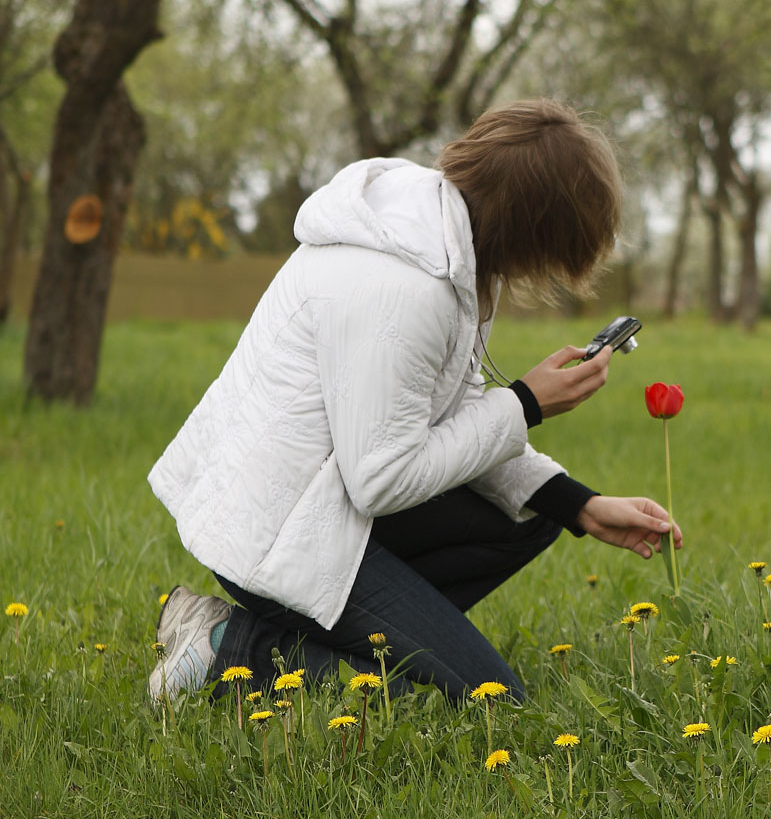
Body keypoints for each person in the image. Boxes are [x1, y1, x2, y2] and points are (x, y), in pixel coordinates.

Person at [146, 99, 682, 705]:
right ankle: (226, 646)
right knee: (490, 701)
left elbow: (451, 416)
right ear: (534, 226)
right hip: (278, 536)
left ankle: (333, 642)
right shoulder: (406, 287)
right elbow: (381, 479)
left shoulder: (448, 248)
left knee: (533, 517)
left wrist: (580, 505)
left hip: (317, 506)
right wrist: (526, 404)